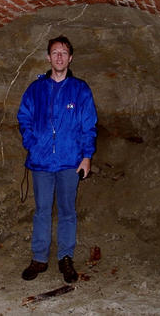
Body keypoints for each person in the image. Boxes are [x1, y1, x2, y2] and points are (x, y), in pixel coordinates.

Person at [16, 35, 98, 283]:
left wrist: (86, 156)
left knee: (67, 211)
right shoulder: (36, 89)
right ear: (48, 57)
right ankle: (39, 258)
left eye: (63, 52)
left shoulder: (80, 90)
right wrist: (33, 143)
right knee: (41, 211)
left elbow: (89, 125)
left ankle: (65, 257)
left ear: (70, 58)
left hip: (69, 162)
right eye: (55, 52)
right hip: (41, 163)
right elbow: (24, 118)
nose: (59, 57)